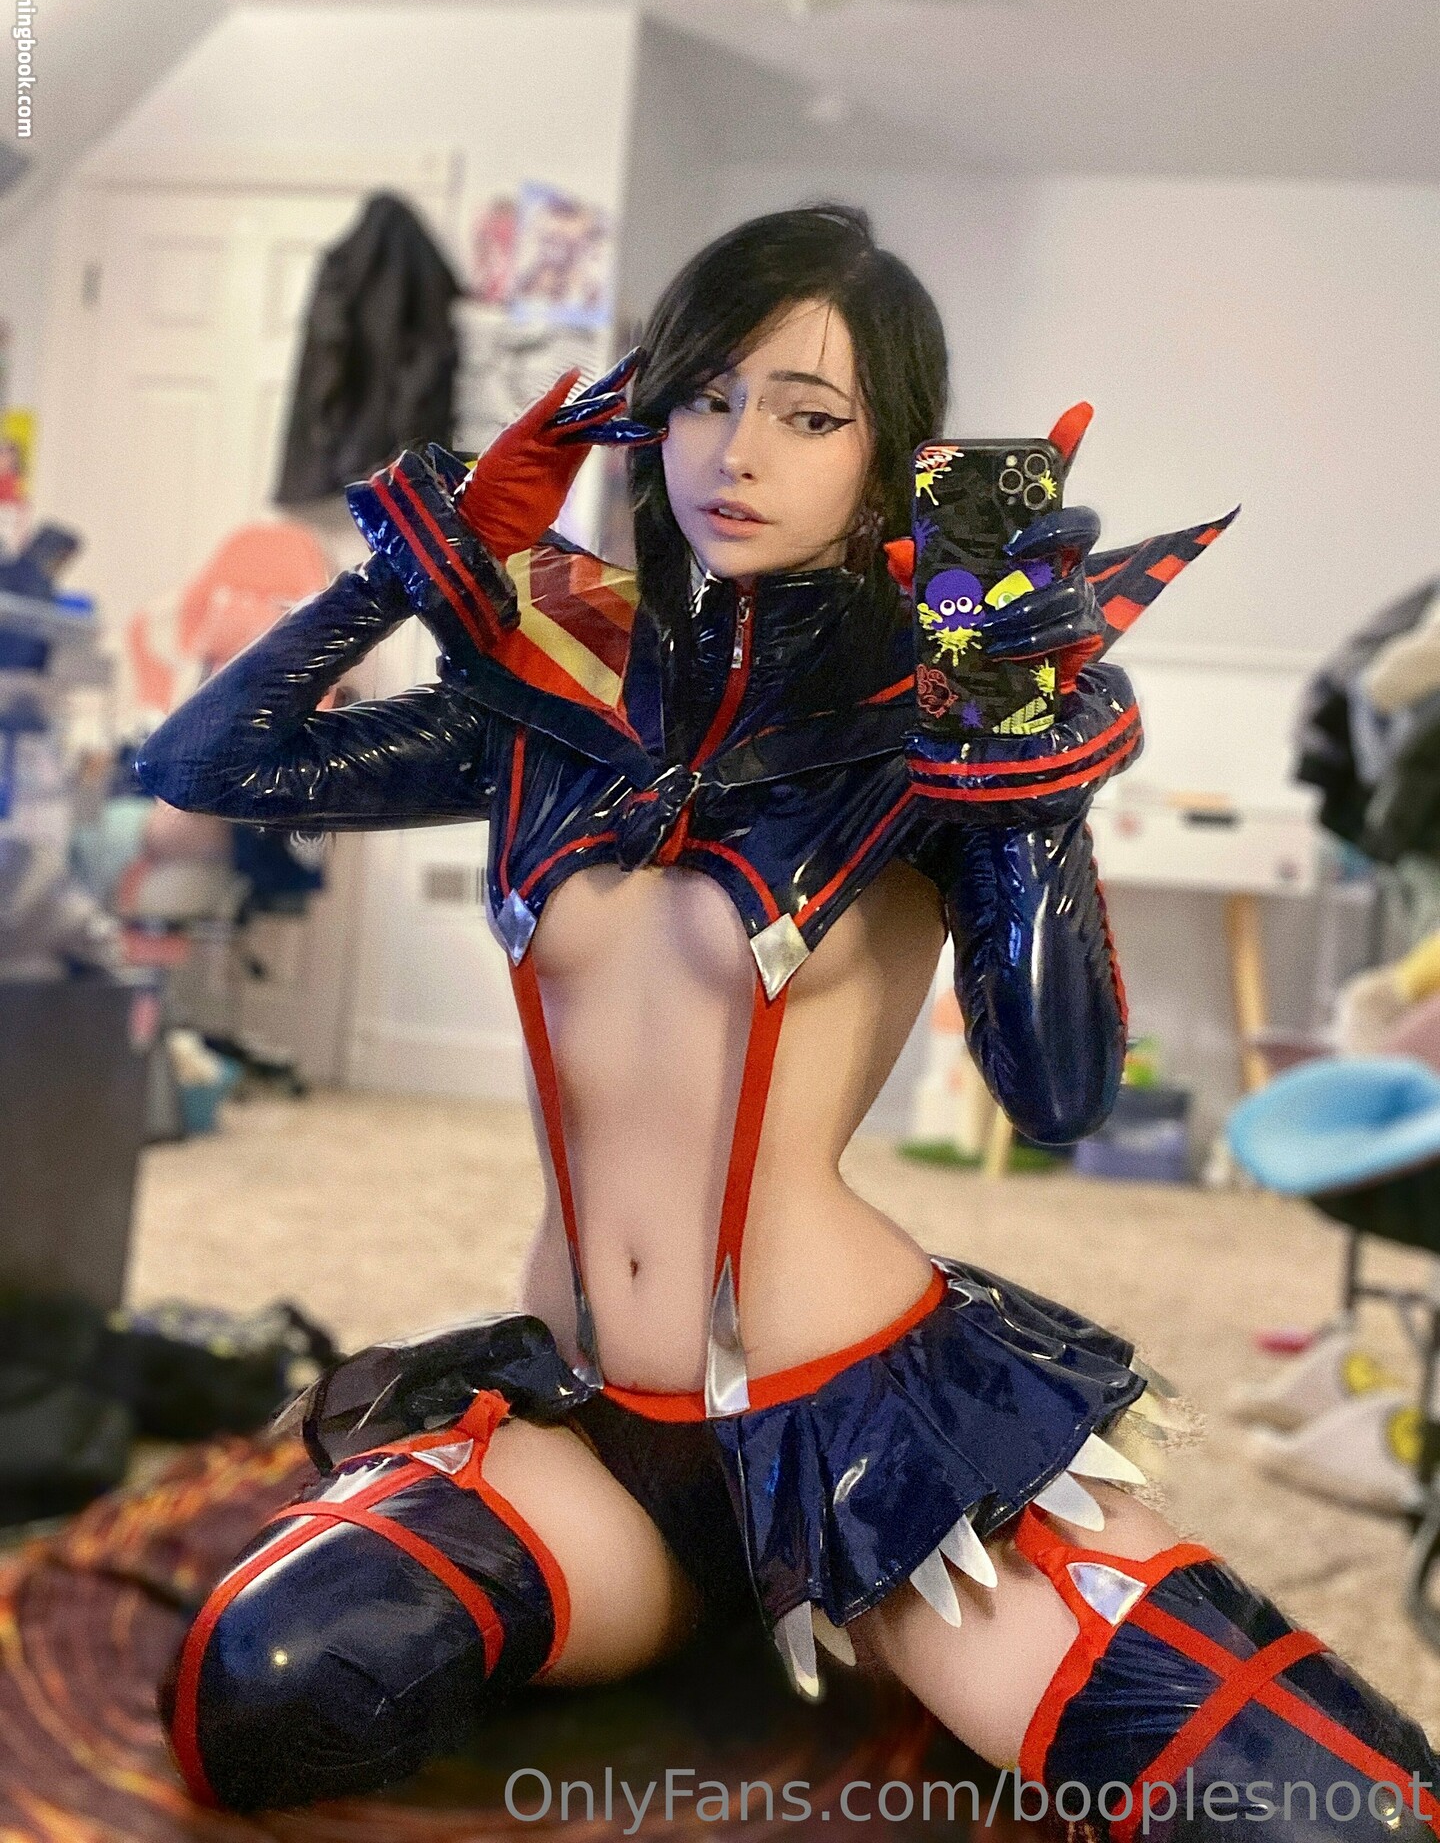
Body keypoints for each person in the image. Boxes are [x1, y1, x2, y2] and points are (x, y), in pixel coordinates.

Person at [136, 206, 1439, 1833]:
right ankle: (717, 1625)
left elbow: (1058, 1096)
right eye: (703, 396)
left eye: (809, 415)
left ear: (890, 458)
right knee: (260, 1692)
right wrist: (418, 563)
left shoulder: (932, 711)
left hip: (860, 1444)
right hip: (583, 1422)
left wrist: (1028, 798)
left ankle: (828, 1621)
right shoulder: (562, 687)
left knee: (1327, 1810)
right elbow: (208, 765)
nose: (737, 450)